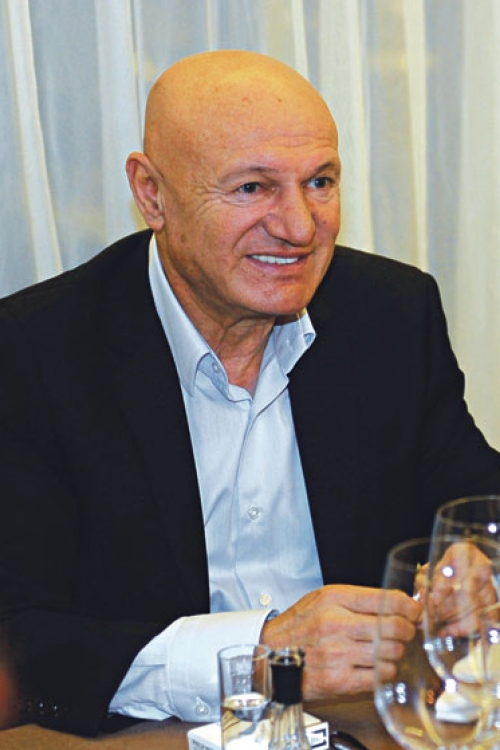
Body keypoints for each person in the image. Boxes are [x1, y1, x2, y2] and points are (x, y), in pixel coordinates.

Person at [0, 50, 499, 737]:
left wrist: (476, 565)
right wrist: (261, 655)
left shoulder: (390, 313)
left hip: (366, 723)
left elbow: (474, 499)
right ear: (152, 194)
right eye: (252, 188)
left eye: (320, 181)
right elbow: (22, 634)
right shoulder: (33, 353)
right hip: (151, 733)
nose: (299, 227)